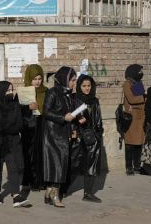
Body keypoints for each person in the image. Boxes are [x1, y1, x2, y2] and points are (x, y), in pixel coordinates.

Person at [42, 66, 76, 208]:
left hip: (63, 133)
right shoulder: (53, 92)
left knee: (60, 164)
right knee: (57, 164)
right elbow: (46, 112)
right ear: (64, 79)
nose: (74, 83)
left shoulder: (68, 94)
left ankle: (49, 194)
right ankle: (55, 195)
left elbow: (70, 114)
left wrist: (72, 129)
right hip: (52, 134)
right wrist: (63, 117)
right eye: (72, 80)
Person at [66, 74, 103, 203]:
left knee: (91, 166)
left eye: (89, 86)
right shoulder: (74, 99)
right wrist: (74, 129)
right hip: (78, 137)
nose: (87, 88)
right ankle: (62, 190)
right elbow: (69, 118)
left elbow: (98, 120)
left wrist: (98, 135)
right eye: (84, 86)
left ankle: (88, 193)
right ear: (79, 86)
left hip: (91, 138)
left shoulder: (94, 100)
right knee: (72, 164)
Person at [20, 64, 48, 193]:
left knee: (41, 153)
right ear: (29, 79)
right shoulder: (23, 92)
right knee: (29, 154)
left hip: (42, 125)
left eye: (39, 78)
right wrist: (27, 108)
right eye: (34, 79)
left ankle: (40, 181)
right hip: (29, 127)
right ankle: (29, 180)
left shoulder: (46, 91)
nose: (37, 82)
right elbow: (17, 111)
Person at [122, 64, 146, 175]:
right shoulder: (127, 83)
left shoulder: (138, 83)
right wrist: (144, 97)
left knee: (139, 143)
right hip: (131, 117)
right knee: (130, 144)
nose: (141, 73)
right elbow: (132, 99)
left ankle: (137, 166)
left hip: (140, 117)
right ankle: (129, 167)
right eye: (139, 71)